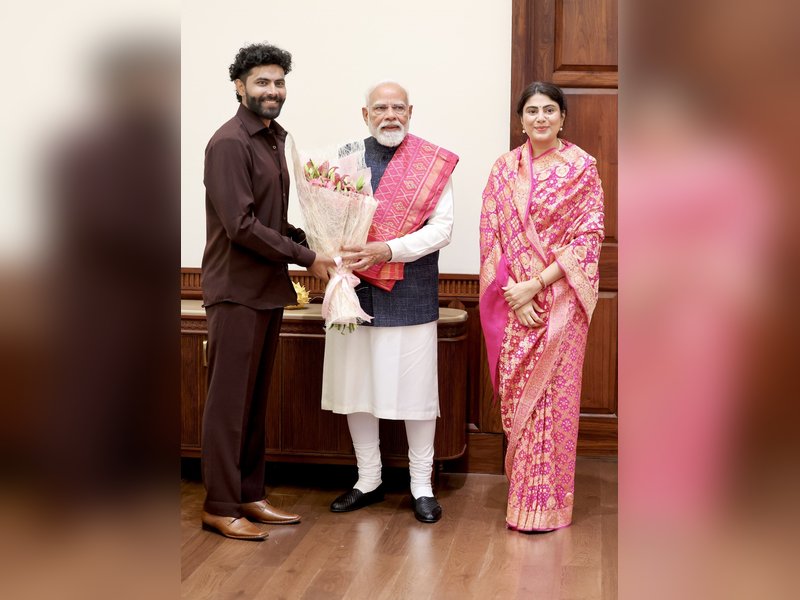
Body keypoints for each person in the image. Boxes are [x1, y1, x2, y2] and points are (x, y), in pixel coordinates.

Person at [200, 43, 334, 540]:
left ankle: (250, 494)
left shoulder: (274, 138)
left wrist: (312, 240)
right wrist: (307, 258)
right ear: (239, 86)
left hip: (267, 289)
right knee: (228, 405)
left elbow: (269, 220)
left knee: (254, 402)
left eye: (279, 82)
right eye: (262, 82)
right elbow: (240, 226)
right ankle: (219, 503)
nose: (272, 90)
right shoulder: (230, 142)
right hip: (235, 291)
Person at [321, 81, 458, 523]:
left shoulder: (433, 163)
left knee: (417, 394)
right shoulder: (344, 158)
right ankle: (369, 479)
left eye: (398, 107)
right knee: (357, 389)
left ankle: (421, 484)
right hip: (354, 290)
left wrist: (389, 250)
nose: (389, 114)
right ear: (365, 114)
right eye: (380, 107)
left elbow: (442, 230)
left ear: (411, 111)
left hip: (411, 291)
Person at [479, 81, 604, 532]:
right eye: (532, 111)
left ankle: (549, 503)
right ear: (521, 119)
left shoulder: (582, 168)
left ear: (563, 117)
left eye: (549, 110)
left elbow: (589, 238)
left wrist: (536, 284)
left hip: (561, 301)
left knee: (556, 398)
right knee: (520, 398)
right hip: (515, 302)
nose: (540, 118)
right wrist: (514, 292)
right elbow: (490, 237)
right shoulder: (503, 169)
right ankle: (522, 500)